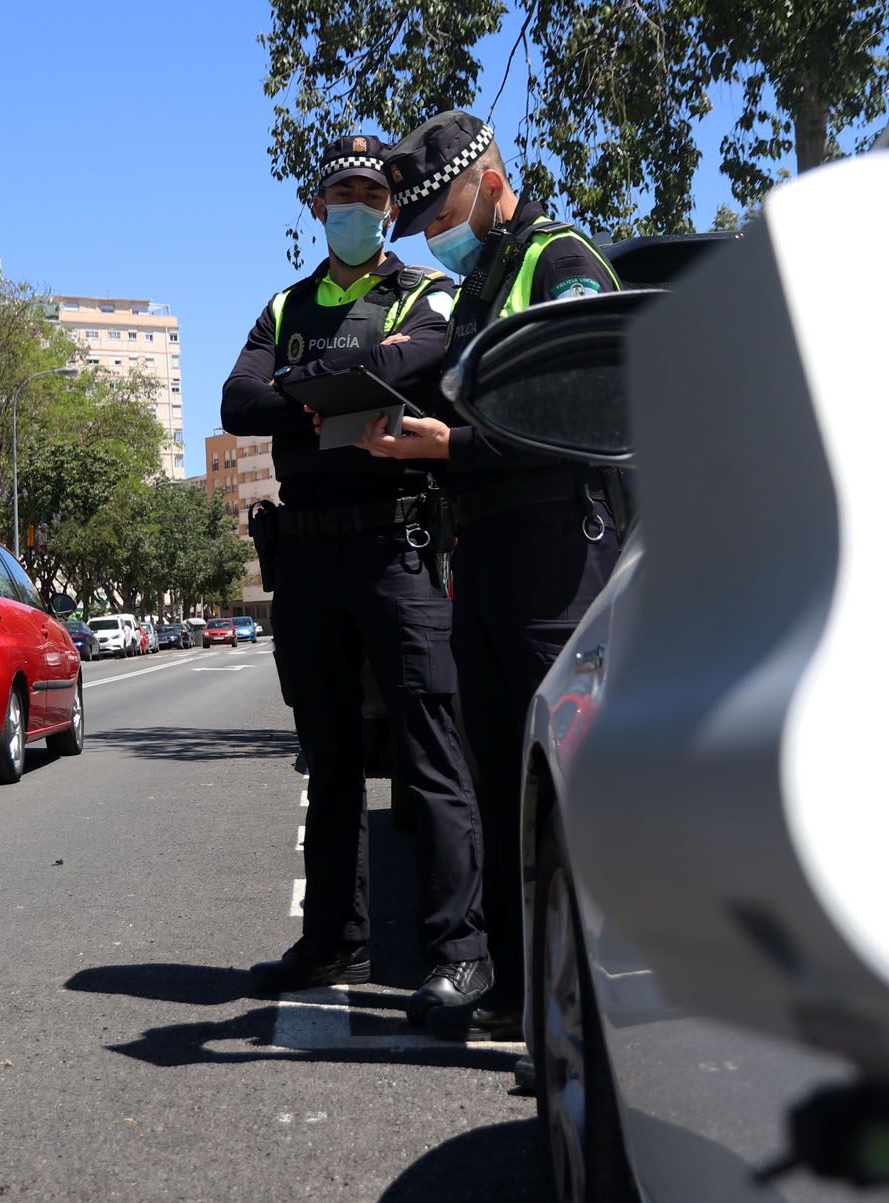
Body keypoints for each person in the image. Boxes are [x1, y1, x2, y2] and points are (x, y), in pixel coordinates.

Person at [362, 110, 624, 1042]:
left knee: (566, 792)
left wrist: (451, 444)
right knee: (504, 787)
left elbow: (590, 412)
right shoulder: (474, 289)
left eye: (439, 209)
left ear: (489, 181)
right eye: (422, 218)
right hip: (482, 550)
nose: (432, 229)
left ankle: (586, 1016)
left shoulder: (560, 262)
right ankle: (520, 996)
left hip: (555, 554)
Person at [221, 135, 489, 1014]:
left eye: (374, 195)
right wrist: (331, 386)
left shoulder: (426, 290)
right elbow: (237, 401)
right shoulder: (285, 302)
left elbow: (416, 363)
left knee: (430, 751)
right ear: (316, 205)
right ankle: (334, 940)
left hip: (397, 550)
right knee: (328, 757)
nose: (360, 205)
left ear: (388, 207)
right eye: (344, 191)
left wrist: (302, 387)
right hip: (305, 557)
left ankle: (458, 952)